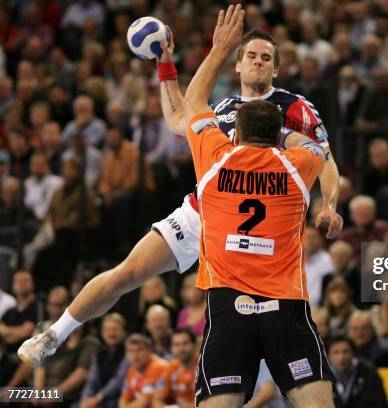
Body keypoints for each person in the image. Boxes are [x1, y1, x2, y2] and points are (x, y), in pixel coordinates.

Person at [18, 4, 341, 370]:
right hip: (204, 213)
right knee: (126, 273)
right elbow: (176, 119)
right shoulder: (221, 107)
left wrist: (329, 204)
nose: (258, 61)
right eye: (250, 55)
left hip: (260, 231)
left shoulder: (296, 108)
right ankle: (54, 334)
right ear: (236, 65)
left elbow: (326, 162)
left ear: (277, 68)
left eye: (266, 57)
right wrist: (165, 65)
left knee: (257, 325)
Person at [181, 6, 333, 406]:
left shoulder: (214, 159)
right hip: (285, 304)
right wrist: (290, 139)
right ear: (276, 134)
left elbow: (193, 99)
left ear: (238, 129)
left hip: (229, 303)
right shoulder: (298, 169)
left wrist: (219, 49)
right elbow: (320, 150)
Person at [327, 335, 388, 408]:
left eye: (346, 352)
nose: (341, 357)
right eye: (336, 352)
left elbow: (378, 403)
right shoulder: (324, 377)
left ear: (353, 354)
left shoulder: (369, 373)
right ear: (328, 356)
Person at [120, 334, 168, 408]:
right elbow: (124, 399)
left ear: (149, 351)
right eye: (131, 351)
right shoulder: (131, 370)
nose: (135, 356)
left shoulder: (158, 366)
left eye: (139, 350)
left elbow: (144, 402)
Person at [153, 329, 196, 408]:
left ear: (194, 345)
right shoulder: (172, 367)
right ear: (171, 348)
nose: (181, 349)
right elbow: (157, 399)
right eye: (176, 345)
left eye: (185, 343)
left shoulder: (204, 367)